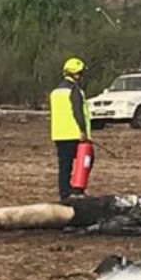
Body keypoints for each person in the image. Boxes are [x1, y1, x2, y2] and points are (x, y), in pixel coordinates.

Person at [50, 57, 92, 201]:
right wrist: (83, 131)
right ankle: (77, 190)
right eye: (81, 74)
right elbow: (77, 112)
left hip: (59, 134)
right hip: (74, 134)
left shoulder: (55, 92)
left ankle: (64, 194)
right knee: (86, 160)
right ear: (76, 74)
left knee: (64, 167)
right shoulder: (74, 91)